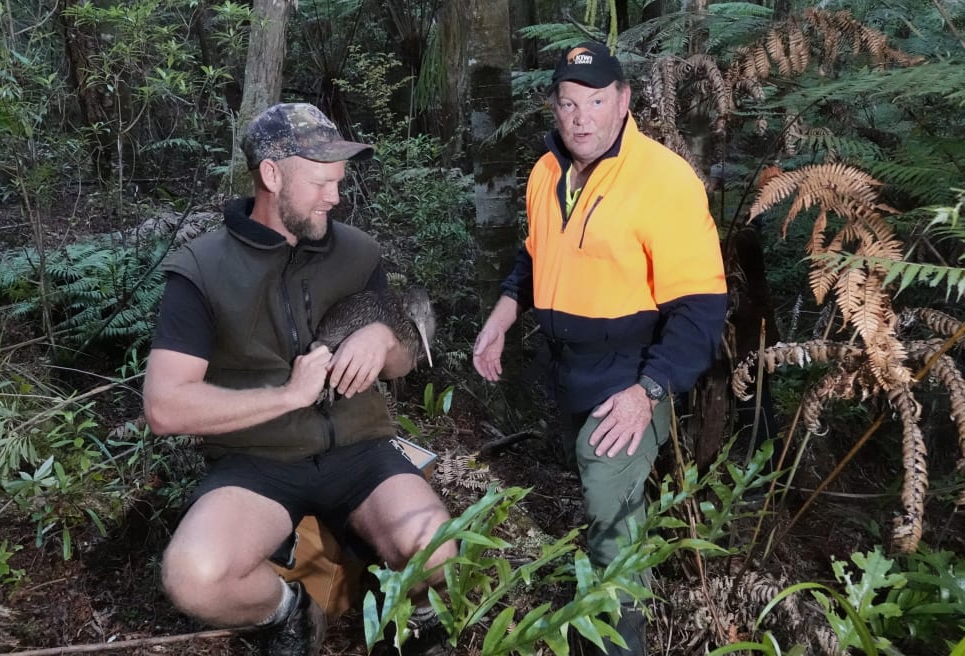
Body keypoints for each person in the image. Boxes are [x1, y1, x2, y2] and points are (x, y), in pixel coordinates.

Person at [143, 102, 455, 656]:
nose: (335, 197)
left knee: (438, 547)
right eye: (320, 182)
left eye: (338, 182)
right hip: (256, 462)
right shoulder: (201, 269)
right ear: (271, 175)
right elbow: (165, 408)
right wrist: (288, 395)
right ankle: (286, 613)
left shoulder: (357, 251)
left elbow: (407, 359)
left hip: (362, 449)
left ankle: (406, 616)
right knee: (193, 575)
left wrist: (385, 339)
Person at [472, 43, 727, 655]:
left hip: (635, 373)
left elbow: (701, 309)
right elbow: (534, 256)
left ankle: (619, 642)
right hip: (568, 371)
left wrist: (649, 393)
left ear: (623, 102)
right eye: (568, 103)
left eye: (595, 101)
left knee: (607, 501)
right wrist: (502, 316)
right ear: (555, 108)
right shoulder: (546, 172)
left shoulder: (664, 180)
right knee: (599, 497)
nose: (581, 116)